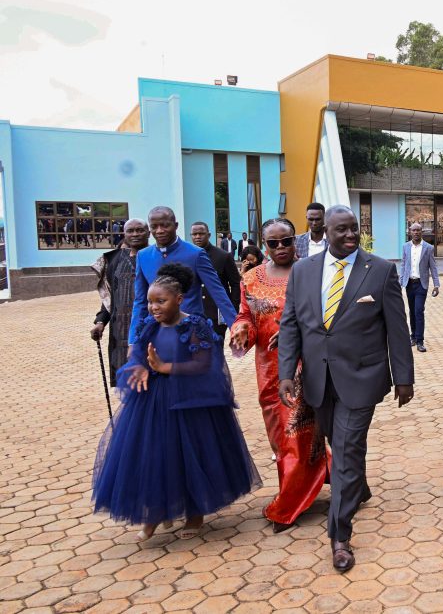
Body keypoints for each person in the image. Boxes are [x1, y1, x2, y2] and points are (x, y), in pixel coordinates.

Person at [277, 205, 414, 573]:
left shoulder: (381, 270)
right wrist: (286, 371)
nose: (350, 235)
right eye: (342, 230)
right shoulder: (304, 271)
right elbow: (291, 323)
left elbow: (397, 328)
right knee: (335, 447)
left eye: (355, 229)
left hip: (362, 377)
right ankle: (357, 488)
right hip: (318, 382)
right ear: (325, 230)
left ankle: (340, 535)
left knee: (348, 450)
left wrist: (404, 377)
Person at [92, 264, 261, 541]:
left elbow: (205, 363)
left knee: (192, 455)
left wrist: (165, 367)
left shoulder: (194, 325)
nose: (154, 307)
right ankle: (155, 513)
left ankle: (195, 512)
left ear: (179, 300)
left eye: (161, 301)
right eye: (150, 301)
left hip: (191, 402)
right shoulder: (149, 326)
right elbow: (139, 356)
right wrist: (141, 367)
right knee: (154, 455)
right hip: (154, 402)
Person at [230, 218, 329, 532]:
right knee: (279, 434)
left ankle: (289, 504)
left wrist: (295, 333)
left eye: (286, 241)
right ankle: (340, 477)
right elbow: (245, 315)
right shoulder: (251, 278)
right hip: (268, 368)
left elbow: (326, 312)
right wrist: (241, 330)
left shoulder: (312, 271)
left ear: (295, 240)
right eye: (273, 243)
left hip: (304, 365)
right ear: (263, 244)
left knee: (296, 432)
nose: (281, 248)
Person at [129, 207, 238, 345]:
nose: (160, 230)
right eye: (154, 226)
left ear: (176, 226)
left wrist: (235, 326)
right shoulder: (143, 256)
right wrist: (133, 341)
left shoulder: (195, 254)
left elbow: (218, 292)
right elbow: (140, 301)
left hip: (191, 333)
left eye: (165, 225)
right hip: (158, 334)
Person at [91, 219, 150, 373]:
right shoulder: (113, 261)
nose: (135, 234)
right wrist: (100, 321)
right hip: (120, 328)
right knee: (125, 378)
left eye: (140, 230)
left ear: (148, 233)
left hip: (151, 325)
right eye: (130, 231)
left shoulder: (158, 257)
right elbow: (110, 297)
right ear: (124, 234)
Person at [190, 221, 241, 336]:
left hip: (217, 313)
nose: (197, 237)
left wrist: (232, 308)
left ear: (208, 235)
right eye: (194, 234)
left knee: (216, 348)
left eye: (201, 233)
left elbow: (235, 283)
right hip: (193, 312)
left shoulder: (223, 256)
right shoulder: (186, 257)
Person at [399, 222, 440, 353]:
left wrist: (436, 284)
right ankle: (413, 337)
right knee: (411, 311)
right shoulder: (406, 247)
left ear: (422, 232)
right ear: (410, 232)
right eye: (413, 230)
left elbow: (433, 267)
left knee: (418, 311)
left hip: (421, 285)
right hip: (409, 284)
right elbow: (403, 264)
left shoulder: (428, 248)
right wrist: (401, 281)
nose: (416, 232)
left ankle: (420, 341)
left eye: (418, 230)